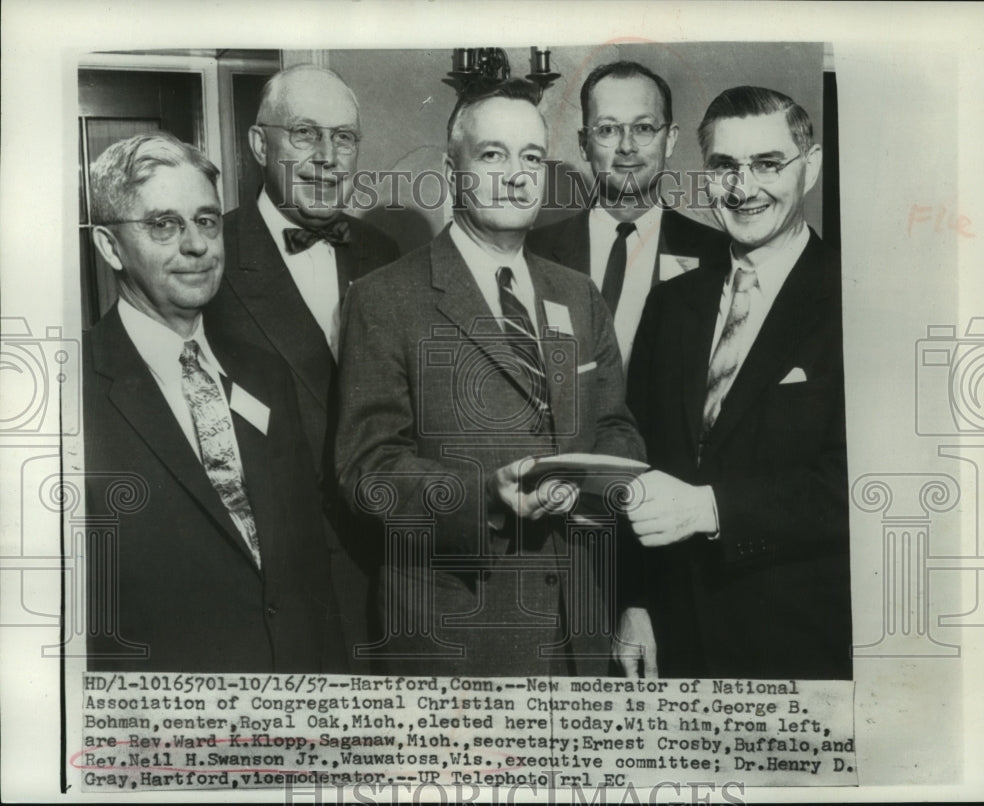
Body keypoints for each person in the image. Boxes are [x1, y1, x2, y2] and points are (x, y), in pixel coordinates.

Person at [334, 80, 645, 676]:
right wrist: (488, 499)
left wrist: (597, 481)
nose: (517, 174)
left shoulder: (578, 295)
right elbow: (366, 470)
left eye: (531, 156)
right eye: (493, 154)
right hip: (458, 636)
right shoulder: (385, 299)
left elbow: (615, 425)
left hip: (580, 626)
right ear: (453, 172)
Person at [83, 132, 345, 672]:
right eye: (163, 225)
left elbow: (308, 576)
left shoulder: (266, 375)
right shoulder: (71, 393)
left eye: (206, 220)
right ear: (110, 246)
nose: (197, 245)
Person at [619, 86, 851, 679]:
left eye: (768, 164)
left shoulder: (857, 303)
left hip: (796, 644)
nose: (743, 189)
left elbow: (857, 485)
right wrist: (636, 602)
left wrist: (710, 508)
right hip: (672, 637)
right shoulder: (671, 305)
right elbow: (636, 457)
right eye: (724, 167)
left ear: (813, 165)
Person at [204, 64, 400, 668]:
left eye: (343, 137)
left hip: (382, 571)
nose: (327, 157)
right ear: (260, 144)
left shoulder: (385, 254)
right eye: (305, 134)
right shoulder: (208, 258)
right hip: (273, 582)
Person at [527, 61, 725, 371]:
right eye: (607, 129)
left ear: (670, 139)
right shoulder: (533, 252)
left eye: (644, 128)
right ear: (584, 144)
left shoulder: (717, 255)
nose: (627, 147)